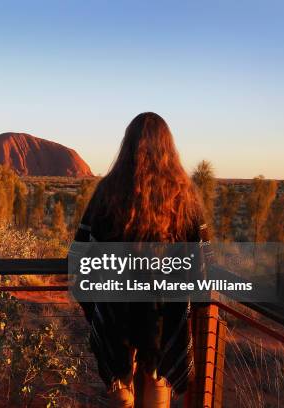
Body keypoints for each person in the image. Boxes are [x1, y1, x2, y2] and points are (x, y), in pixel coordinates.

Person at [72, 112, 205, 407]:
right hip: (163, 312)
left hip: (116, 311)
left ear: (127, 145)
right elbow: (202, 259)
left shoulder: (107, 192)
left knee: (121, 384)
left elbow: (80, 254)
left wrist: (95, 306)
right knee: (158, 380)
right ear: (168, 147)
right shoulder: (185, 195)